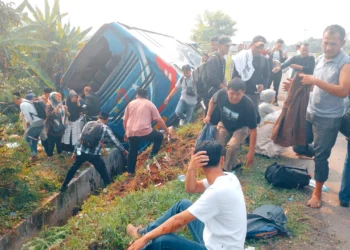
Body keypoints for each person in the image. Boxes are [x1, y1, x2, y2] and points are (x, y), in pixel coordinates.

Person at [126, 141, 247, 250]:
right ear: (221, 160)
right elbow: (191, 188)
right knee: (183, 204)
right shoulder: (229, 177)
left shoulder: (217, 191)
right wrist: (191, 170)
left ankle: (141, 243)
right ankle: (142, 232)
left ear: (199, 163)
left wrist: (146, 239)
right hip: (215, 239)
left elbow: (179, 221)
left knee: (163, 241)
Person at [283, 25, 350, 208]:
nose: (328, 47)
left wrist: (315, 80)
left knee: (321, 157)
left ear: (342, 43)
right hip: (311, 111)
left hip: (329, 119)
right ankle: (322, 151)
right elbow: (314, 87)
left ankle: (317, 193)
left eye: (333, 44)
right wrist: (295, 86)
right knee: (298, 144)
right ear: (322, 40)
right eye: (326, 43)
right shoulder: (320, 59)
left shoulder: (345, 63)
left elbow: (343, 91)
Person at [60, 112, 127, 192]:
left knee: (74, 167)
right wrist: (123, 150)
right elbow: (114, 140)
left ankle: (63, 186)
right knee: (102, 169)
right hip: (94, 155)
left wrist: (75, 152)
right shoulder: (105, 128)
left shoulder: (88, 123)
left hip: (81, 152)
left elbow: (80, 139)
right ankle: (109, 186)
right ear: (106, 120)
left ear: (98, 117)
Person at [204, 78, 257, 170]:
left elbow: (253, 130)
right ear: (227, 90)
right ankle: (235, 162)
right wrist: (208, 115)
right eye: (232, 93)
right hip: (224, 124)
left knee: (232, 146)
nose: (234, 97)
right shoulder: (221, 94)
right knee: (218, 145)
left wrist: (251, 152)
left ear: (243, 92)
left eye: (238, 94)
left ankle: (226, 170)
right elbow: (212, 101)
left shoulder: (249, 105)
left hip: (241, 127)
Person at [124, 89, 170, 176]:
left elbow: (125, 120)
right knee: (159, 136)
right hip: (144, 130)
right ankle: (151, 158)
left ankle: (130, 173)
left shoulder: (130, 104)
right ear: (146, 96)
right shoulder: (150, 104)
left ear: (137, 95)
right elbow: (159, 120)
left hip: (131, 131)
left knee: (132, 151)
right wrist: (167, 131)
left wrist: (126, 132)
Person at [233, 35, 270, 120]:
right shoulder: (241, 57)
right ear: (252, 44)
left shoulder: (264, 60)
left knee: (252, 116)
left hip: (254, 93)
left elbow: (266, 75)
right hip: (240, 92)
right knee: (238, 115)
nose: (259, 50)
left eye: (261, 48)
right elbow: (234, 74)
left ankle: (250, 132)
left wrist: (263, 85)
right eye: (257, 47)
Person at [203, 35, 232, 125]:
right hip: (211, 92)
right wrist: (224, 88)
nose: (228, 48)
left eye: (229, 46)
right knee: (210, 117)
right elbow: (212, 78)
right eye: (226, 46)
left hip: (218, 91)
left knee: (216, 117)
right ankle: (204, 137)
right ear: (219, 45)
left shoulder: (222, 59)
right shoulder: (213, 59)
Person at [13, 92, 45, 162]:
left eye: (14, 101)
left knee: (25, 139)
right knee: (34, 139)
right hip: (41, 122)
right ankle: (34, 156)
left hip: (35, 123)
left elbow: (28, 118)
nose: (15, 103)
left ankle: (25, 157)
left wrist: (27, 128)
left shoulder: (23, 104)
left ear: (16, 99)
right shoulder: (29, 102)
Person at [46, 92, 67, 158]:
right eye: (57, 96)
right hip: (52, 126)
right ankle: (50, 156)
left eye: (59, 96)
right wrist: (57, 108)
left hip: (60, 126)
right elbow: (49, 115)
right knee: (51, 142)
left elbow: (63, 115)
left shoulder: (60, 104)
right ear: (53, 97)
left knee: (59, 141)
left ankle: (59, 153)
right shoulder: (49, 105)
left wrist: (66, 111)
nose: (59, 98)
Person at [268, 39, 288, 106]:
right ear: (275, 44)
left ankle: (275, 101)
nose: (279, 47)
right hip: (270, 71)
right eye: (278, 45)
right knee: (268, 86)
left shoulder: (281, 52)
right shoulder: (270, 51)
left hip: (278, 72)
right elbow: (266, 59)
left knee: (276, 87)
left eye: (281, 46)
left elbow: (282, 61)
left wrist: (285, 57)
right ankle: (266, 100)